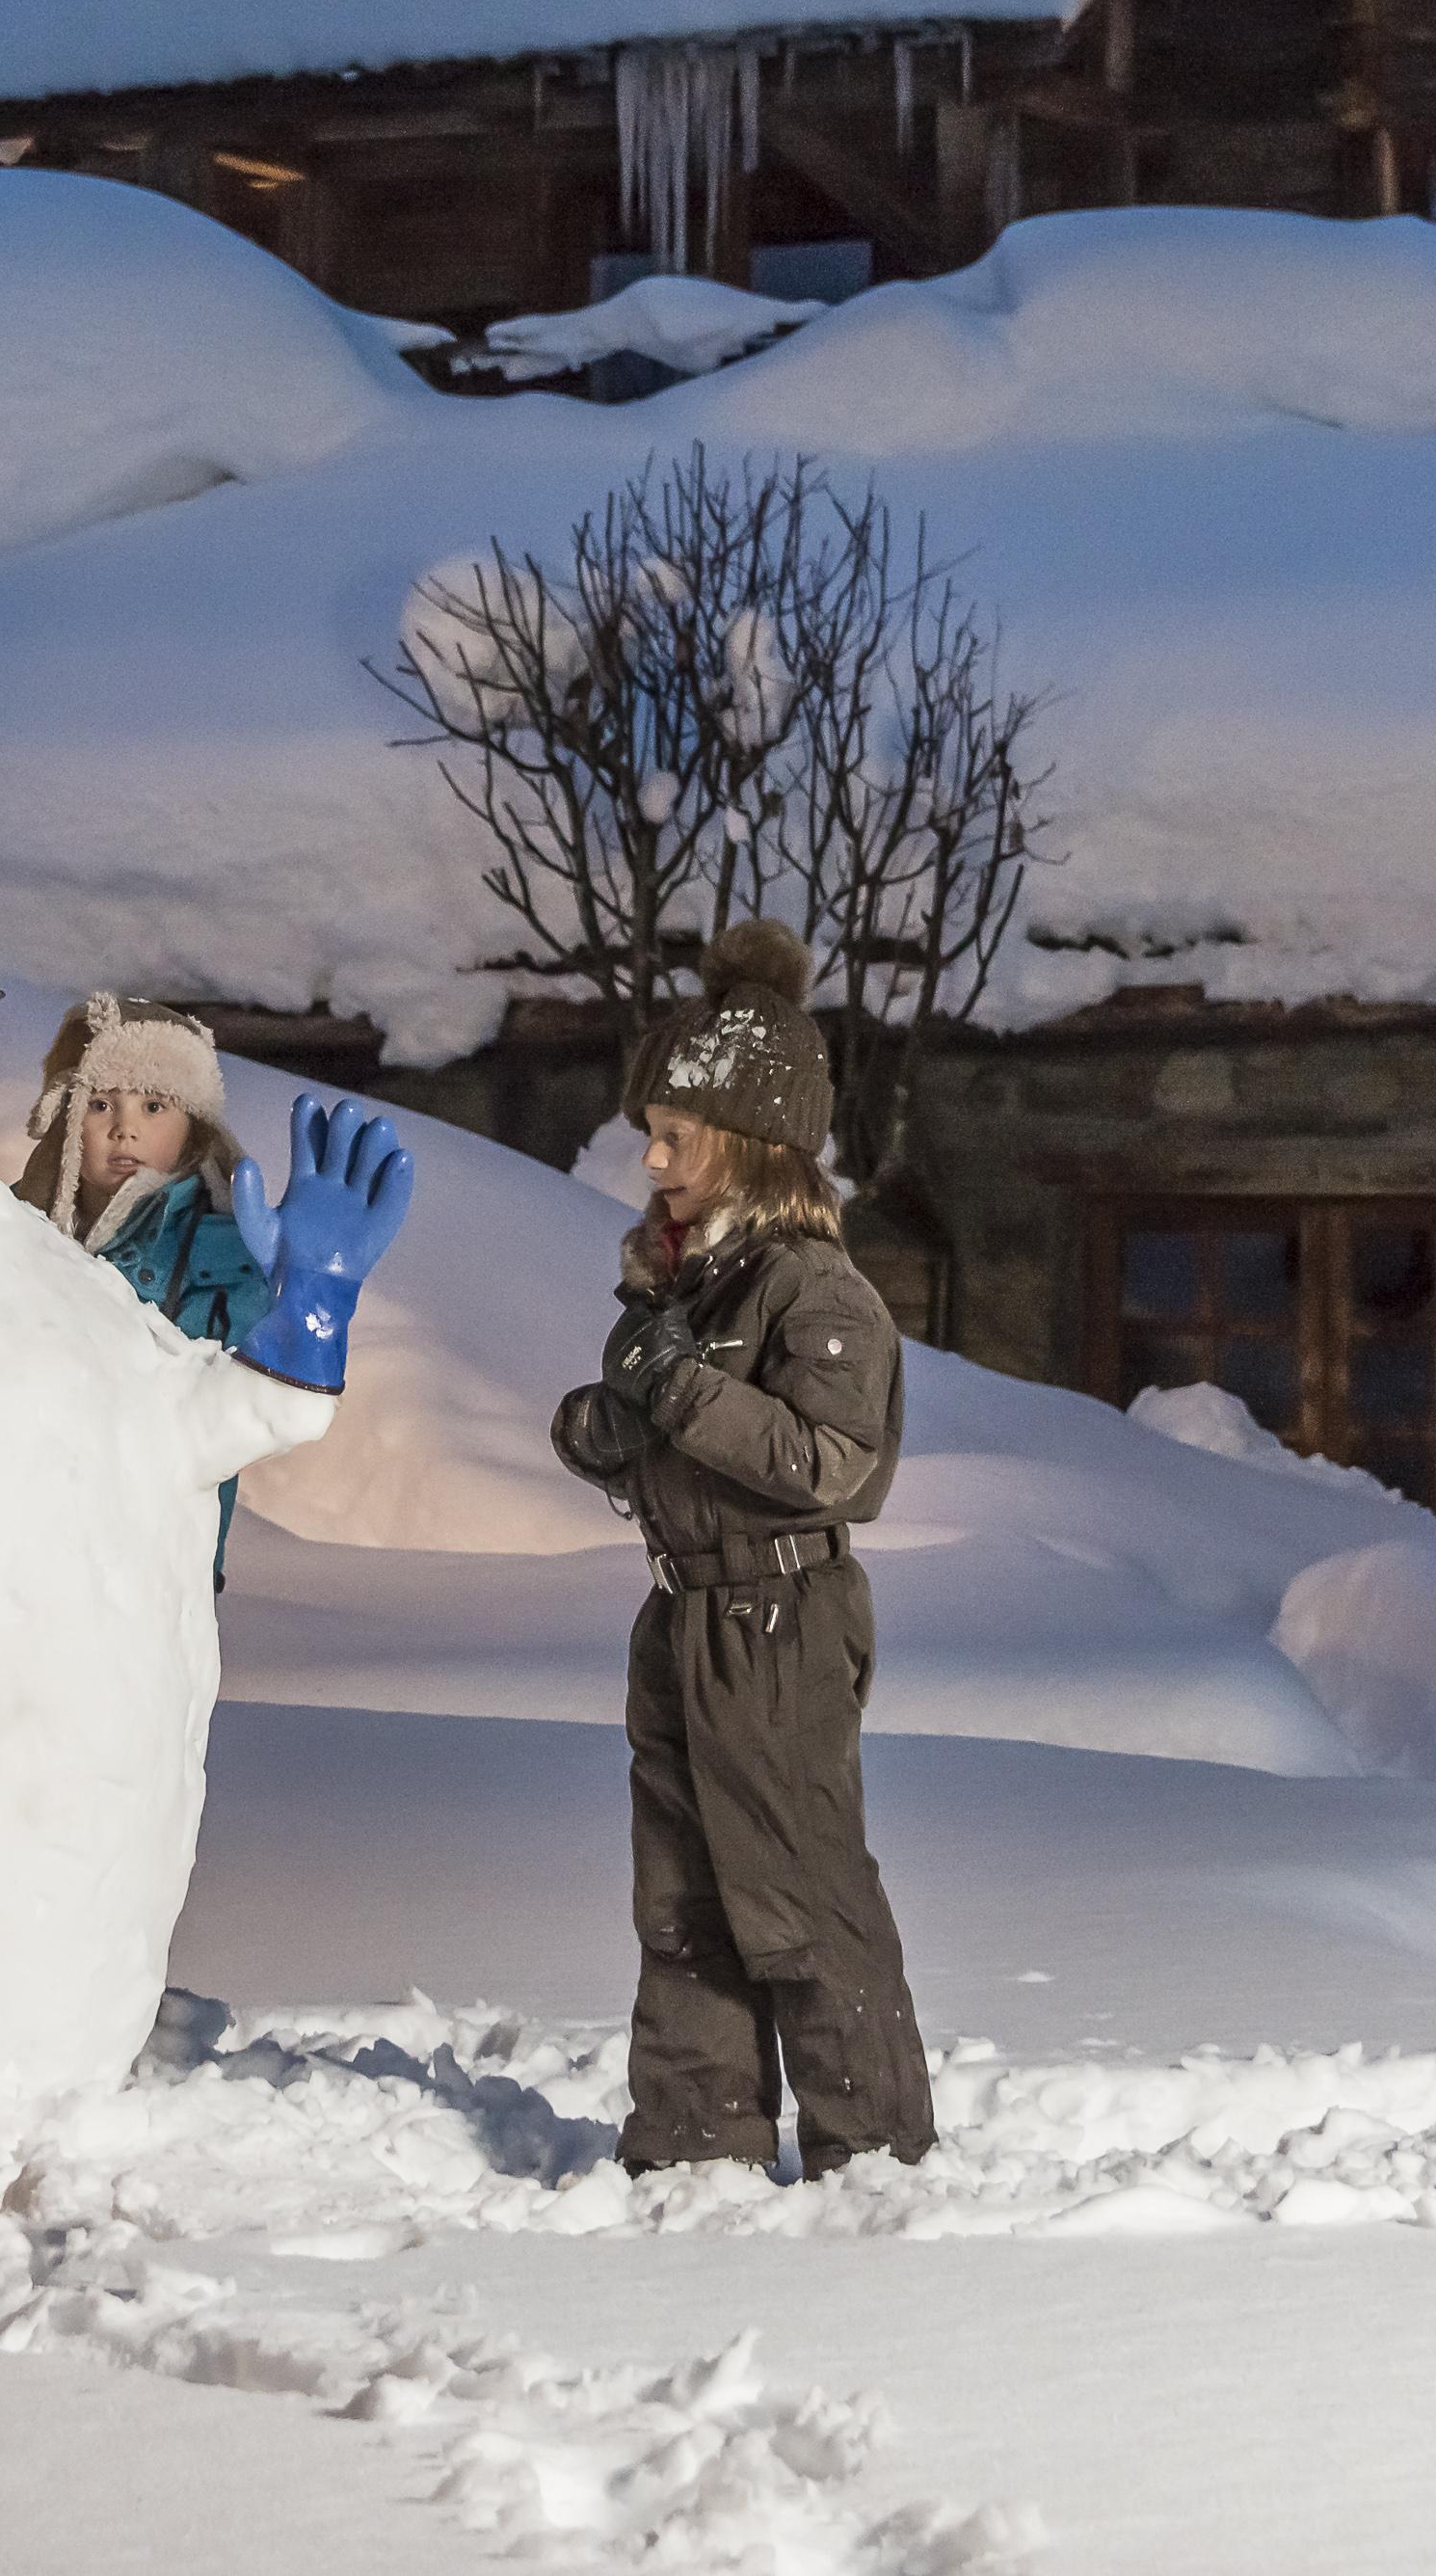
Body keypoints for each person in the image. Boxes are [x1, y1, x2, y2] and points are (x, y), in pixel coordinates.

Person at [546, 921, 934, 2179]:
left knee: (798, 1890)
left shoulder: (816, 1290)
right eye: (648, 1132)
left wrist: (679, 1397)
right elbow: (688, 1433)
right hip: (685, 1620)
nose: (649, 1159)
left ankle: (870, 2151)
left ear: (755, 1144)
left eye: (675, 1135)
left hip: (782, 1622)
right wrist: (615, 1431)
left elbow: (836, 1468)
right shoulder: (686, 1287)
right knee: (686, 1895)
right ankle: (691, 2142)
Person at [10, 993, 277, 1584]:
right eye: (101, 1104)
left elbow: (244, 1386)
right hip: (23, 1541)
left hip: (157, 1553)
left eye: (154, 1105)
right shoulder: (11, 1226)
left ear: (194, 1125)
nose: (125, 1129)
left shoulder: (220, 1244)